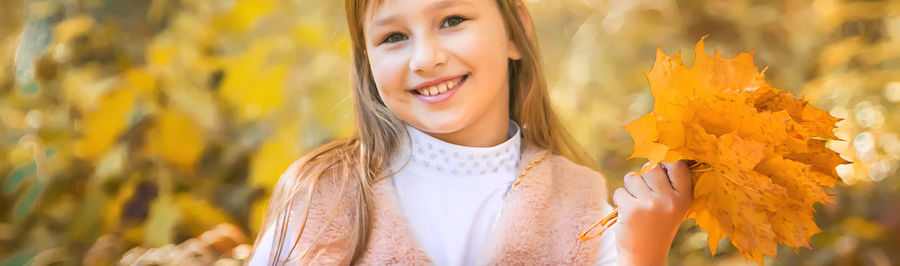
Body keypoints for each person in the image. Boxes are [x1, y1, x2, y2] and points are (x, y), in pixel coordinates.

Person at [249, 0, 692, 265]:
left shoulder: (581, 213)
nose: (424, 58)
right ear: (367, 59)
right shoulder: (324, 199)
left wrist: (643, 255)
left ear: (515, 31)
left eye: (453, 20)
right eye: (393, 37)